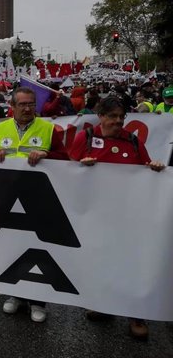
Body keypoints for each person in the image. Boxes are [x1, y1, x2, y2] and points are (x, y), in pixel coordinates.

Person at [69, 96, 165, 340]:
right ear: (100, 116)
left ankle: (136, 315)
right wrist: (82, 167)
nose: (118, 121)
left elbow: (146, 168)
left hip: (129, 216)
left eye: (121, 117)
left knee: (131, 263)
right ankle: (104, 305)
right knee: (102, 260)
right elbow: (67, 173)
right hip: (97, 216)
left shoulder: (133, 141)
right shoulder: (86, 138)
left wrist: (154, 168)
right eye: (112, 116)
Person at [0, 86, 69, 323]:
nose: (28, 108)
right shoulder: (1, 128)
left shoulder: (49, 129)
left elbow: (66, 159)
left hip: (39, 199)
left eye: (31, 104)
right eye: (22, 104)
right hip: (7, 199)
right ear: (12, 106)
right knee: (11, 248)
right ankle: (14, 295)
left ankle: (38, 301)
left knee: (39, 250)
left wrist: (46, 155)